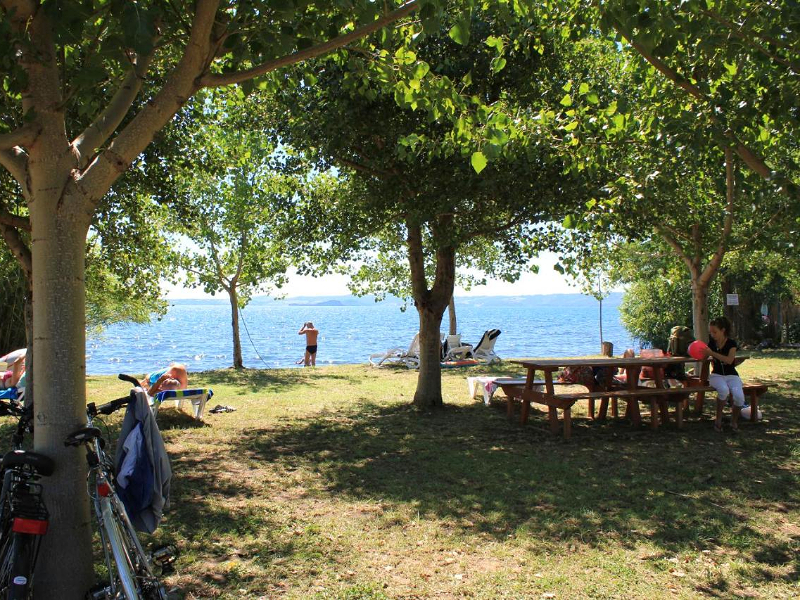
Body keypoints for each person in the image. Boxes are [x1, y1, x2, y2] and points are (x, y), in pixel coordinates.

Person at [703, 316, 744, 432]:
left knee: (739, 397)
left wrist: (712, 353)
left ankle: (734, 421)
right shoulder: (711, 343)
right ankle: (718, 419)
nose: (712, 334)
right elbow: (703, 357)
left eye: (714, 332)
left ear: (723, 330)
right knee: (723, 390)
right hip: (717, 375)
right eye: (710, 332)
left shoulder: (731, 343)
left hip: (732, 375)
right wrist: (703, 352)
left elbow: (729, 360)